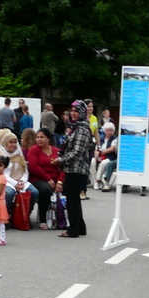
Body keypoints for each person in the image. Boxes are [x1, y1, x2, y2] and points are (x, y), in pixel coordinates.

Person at [54, 100, 94, 238]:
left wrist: (60, 159)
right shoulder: (75, 127)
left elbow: (77, 152)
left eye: (76, 111)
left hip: (77, 169)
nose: (73, 114)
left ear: (82, 113)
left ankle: (73, 230)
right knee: (74, 199)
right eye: (72, 111)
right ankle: (80, 227)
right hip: (72, 168)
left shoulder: (82, 130)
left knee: (72, 200)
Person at [26, 127, 63, 229]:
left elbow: (63, 167)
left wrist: (60, 182)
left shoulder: (56, 151)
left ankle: (64, 218)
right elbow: (34, 167)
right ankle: (43, 220)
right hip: (38, 178)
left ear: (48, 139)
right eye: (37, 137)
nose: (39, 139)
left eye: (42, 137)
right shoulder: (33, 150)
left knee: (70, 188)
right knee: (45, 190)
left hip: (55, 179)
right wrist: (48, 179)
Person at [0, 132, 37, 219]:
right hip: (6, 182)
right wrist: (15, 183)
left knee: (34, 192)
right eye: (10, 142)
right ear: (5, 143)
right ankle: (8, 215)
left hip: (21, 182)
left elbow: (25, 171)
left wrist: (22, 182)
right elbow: (1, 173)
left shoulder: (19, 155)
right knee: (9, 193)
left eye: (15, 142)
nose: (13, 145)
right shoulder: (1, 155)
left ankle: (26, 215)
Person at [93, 123, 117, 190]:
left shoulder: (115, 139)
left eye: (111, 130)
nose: (109, 132)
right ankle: (97, 179)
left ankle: (97, 181)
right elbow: (96, 147)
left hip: (110, 157)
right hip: (100, 155)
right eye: (108, 130)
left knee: (103, 163)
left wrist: (101, 152)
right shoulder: (101, 138)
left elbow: (112, 148)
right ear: (104, 131)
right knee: (92, 162)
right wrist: (96, 153)